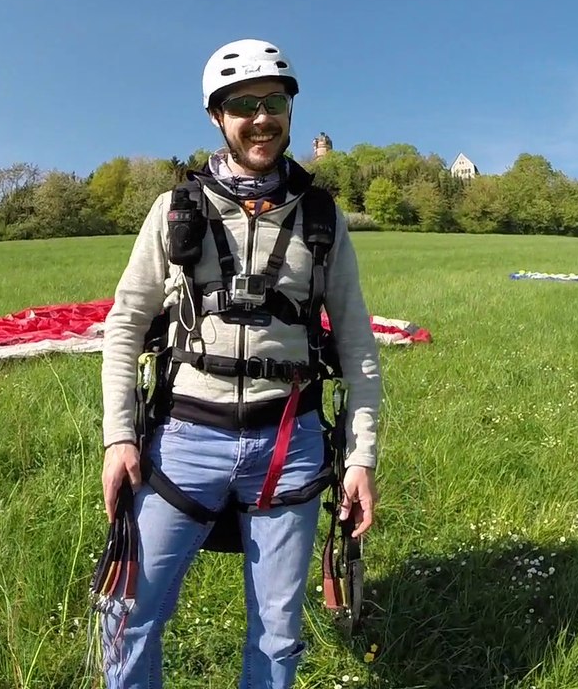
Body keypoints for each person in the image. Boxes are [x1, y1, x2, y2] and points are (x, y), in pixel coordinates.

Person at [97, 38, 383, 688]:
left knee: (278, 635)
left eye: (273, 102)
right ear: (217, 117)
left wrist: (361, 458)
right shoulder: (176, 211)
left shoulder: (321, 218)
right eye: (243, 106)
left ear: (290, 110)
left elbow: (358, 347)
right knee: (127, 613)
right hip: (183, 439)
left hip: (288, 441)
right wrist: (119, 437)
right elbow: (125, 325)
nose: (261, 118)